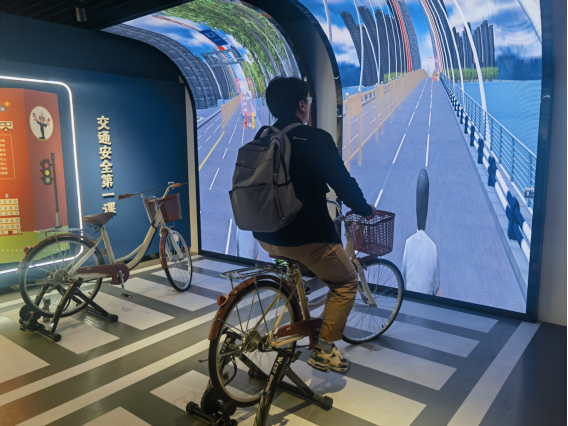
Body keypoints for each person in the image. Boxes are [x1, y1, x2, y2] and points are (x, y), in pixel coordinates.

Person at [253, 77, 376, 373]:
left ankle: (300, 319)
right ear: (301, 105)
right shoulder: (315, 139)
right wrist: (364, 209)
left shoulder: (263, 137)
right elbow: (343, 183)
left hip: (264, 234)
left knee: (298, 264)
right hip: (304, 236)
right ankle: (325, 349)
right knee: (346, 282)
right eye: (308, 101)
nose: (308, 106)